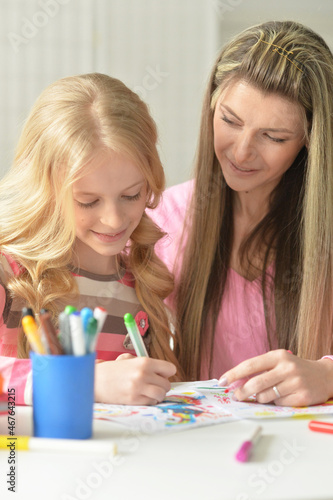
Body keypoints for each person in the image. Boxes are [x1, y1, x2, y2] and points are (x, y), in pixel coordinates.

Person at [150, 20, 333, 406]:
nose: (241, 151)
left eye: (274, 137)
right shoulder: (166, 217)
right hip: (203, 447)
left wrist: (328, 374)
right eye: (230, 121)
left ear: (310, 142)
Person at [0, 72, 183, 406]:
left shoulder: (140, 283)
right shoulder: (8, 274)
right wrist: (85, 381)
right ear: (45, 190)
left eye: (131, 195)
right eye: (88, 201)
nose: (114, 220)